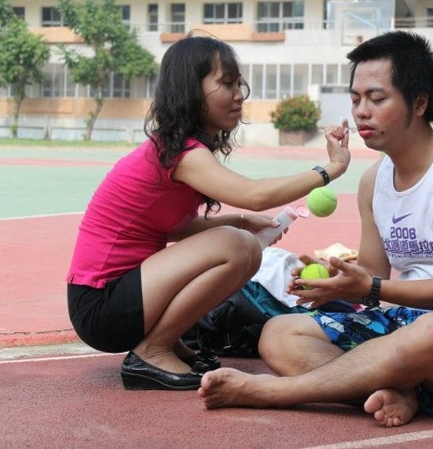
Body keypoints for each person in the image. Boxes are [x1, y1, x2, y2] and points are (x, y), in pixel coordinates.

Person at [198, 31, 433, 427]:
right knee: (278, 333)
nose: (361, 112)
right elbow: (374, 281)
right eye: (356, 99)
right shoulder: (373, 181)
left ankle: (277, 391)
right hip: (405, 324)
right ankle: (401, 391)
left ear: (420, 102)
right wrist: (335, 285)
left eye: (377, 99)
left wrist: (371, 288)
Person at [65, 34, 350, 391]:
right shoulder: (181, 153)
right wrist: (329, 170)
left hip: (117, 298)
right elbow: (254, 195)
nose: (239, 94)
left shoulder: (175, 149)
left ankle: (167, 342)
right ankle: (151, 351)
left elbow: (179, 228)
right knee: (238, 247)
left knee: (244, 244)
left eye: (239, 84)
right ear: (191, 90)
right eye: (226, 84)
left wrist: (243, 222)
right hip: (101, 305)